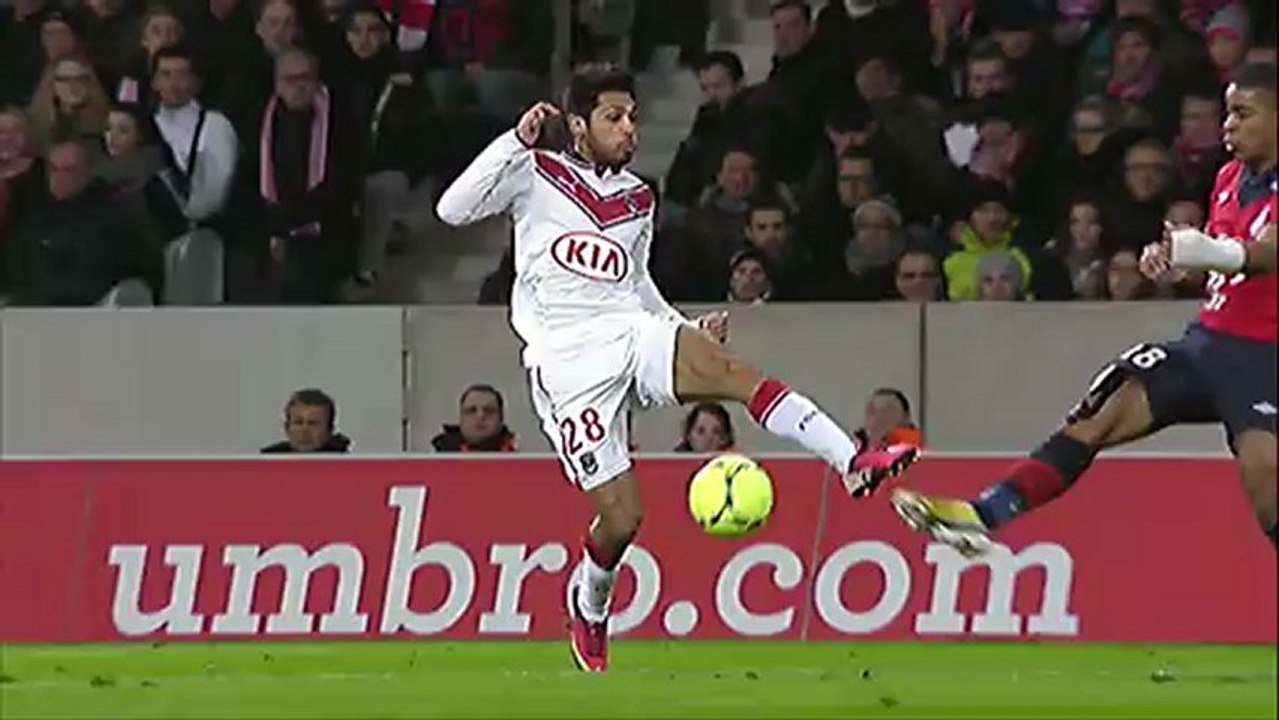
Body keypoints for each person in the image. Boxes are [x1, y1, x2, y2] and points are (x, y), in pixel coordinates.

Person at [435, 64, 919, 673]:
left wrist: (682, 329)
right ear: (578, 125)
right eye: (614, 117)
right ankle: (590, 602)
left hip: (631, 331)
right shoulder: (536, 172)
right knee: (622, 517)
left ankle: (850, 461)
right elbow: (452, 211)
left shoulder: (639, 197)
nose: (629, 128)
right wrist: (515, 142)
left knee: (733, 372)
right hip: (566, 363)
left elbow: (636, 285)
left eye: (633, 116)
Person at [891, 62, 1278, 557]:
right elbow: (1227, 265)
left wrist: (1206, 250)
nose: (1229, 126)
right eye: (1227, 114)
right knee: (1102, 409)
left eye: (1243, 114)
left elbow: (1267, 253)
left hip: (1265, 355)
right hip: (1206, 342)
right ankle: (982, 515)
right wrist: (1177, 262)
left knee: (1264, 476)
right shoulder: (1229, 177)